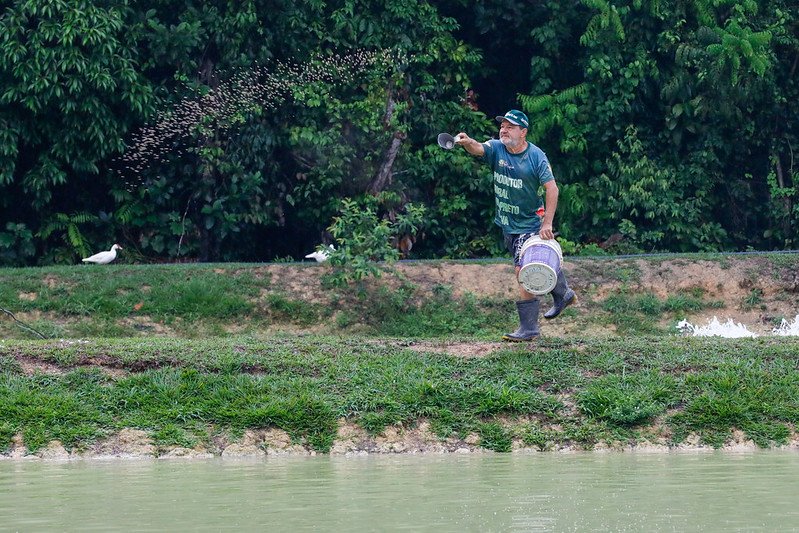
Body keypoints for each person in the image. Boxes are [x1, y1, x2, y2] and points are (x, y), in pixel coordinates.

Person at [455, 109, 576, 341]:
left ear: (523, 132)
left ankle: (529, 329)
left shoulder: (536, 156)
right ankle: (563, 294)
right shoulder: (497, 148)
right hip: (508, 224)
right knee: (531, 264)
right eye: (503, 126)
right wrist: (467, 141)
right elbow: (478, 148)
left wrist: (547, 222)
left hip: (530, 222)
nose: (504, 130)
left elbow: (552, 188)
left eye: (510, 127)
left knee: (523, 269)